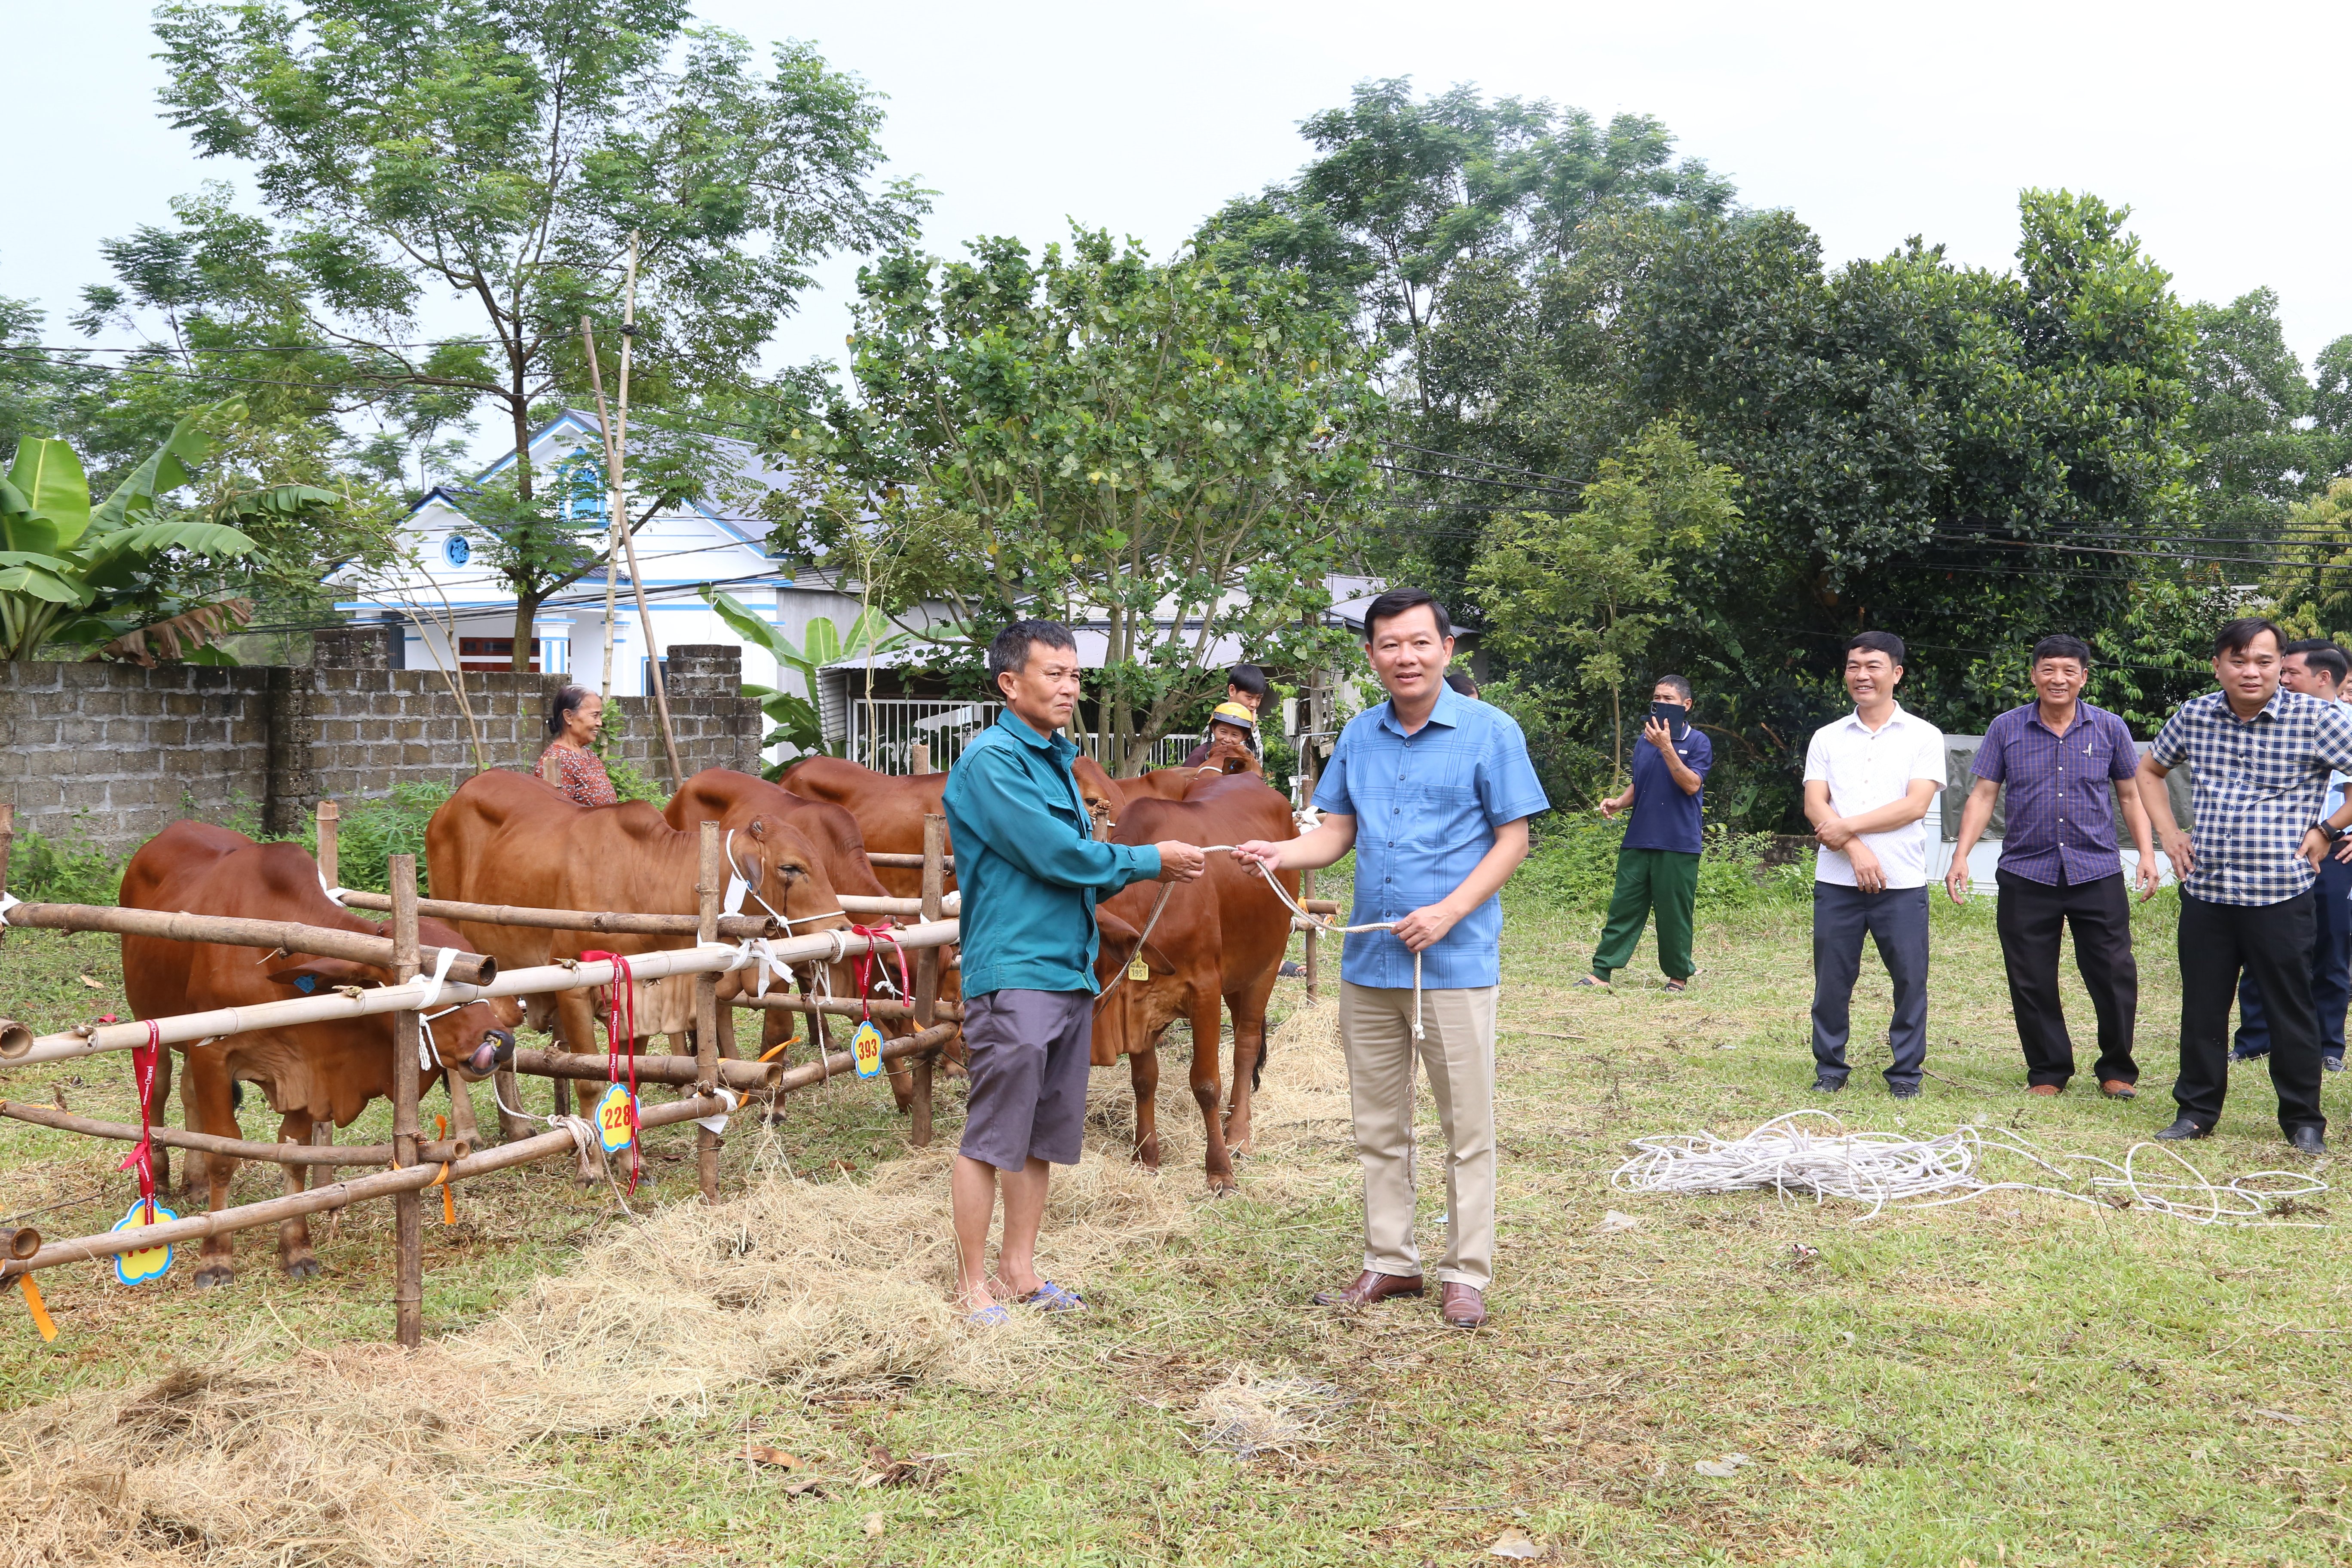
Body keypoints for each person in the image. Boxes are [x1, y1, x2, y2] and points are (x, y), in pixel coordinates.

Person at [1232, 588, 1549, 1330]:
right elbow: (1335, 832)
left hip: (1456, 958)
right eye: (1387, 645)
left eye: (1417, 642)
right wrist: (1279, 851)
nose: (1403, 656)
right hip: (1370, 961)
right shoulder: (1359, 735)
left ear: (1446, 648)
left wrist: (1448, 910)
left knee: (1464, 1124)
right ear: (1371, 655)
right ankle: (1391, 1261)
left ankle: (1465, 1271)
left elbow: (1514, 839)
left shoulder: (1490, 731)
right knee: (1378, 1121)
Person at [941, 619, 1205, 1321]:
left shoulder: (1056, 758)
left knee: (1041, 1132)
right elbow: (1056, 856)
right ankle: (973, 1285)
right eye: (1052, 673)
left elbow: (1077, 867)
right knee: (992, 1132)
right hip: (1015, 968)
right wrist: (1152, 860)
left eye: (1075, 674)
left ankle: (1020, 1271)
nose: (1068, 686)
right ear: (1010, 683)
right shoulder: (992, 761)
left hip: (1064, 967)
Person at [2135, 618, 2352, 1153]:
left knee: (2291, 1008)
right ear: (2218, 665)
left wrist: (2328, 829)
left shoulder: (2318, 718)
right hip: (2207, 890)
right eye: (2238, 660)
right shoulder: (2195, 714)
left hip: (2281, 891)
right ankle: (2196, 1112)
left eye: (2263, 660)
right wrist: (2168, 833)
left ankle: (2303, 1121)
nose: (2250, 671)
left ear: (2281, 664)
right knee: (2203, 1007)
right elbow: (2149, 771)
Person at [1945, 635, 2160, 1098]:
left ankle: (2117, 1069)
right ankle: (2047, 1071)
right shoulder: (2006, 727)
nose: (2057, 679)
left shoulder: (2109, 728)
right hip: (2027, 872)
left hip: (2096, 871)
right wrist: (1960, 855)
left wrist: (2146, 852)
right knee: (2031, 975)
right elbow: (1983, 794)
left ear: (2084, 677)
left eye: (2068, 671)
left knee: (2113, 973)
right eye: (2048, 669)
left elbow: (2130, 795)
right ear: (2034, 675)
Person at [1802, 631, 1947, 1098]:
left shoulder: (1924, 736)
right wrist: (1857, 849)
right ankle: (1830, 1068)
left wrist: (1847, 830)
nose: (1861, 676)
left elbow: (1914, 806)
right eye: (1853, 667)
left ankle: (1905, 1074)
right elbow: (1814, 803)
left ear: (1896, 673)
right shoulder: (1827, 737)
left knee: (1909, 979)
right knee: (1832, 980)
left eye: (1873, 666)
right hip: (1837, 881)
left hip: (1901, 882)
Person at [2230, 639, 2352, 1071]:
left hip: (2336, 854)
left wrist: (2336, 830)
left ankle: (2327, 1046)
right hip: (2273, 853)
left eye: (2290, 673)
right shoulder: (2266, 720)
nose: (2280, 680)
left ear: (2323, 678)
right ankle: (2255, 1040)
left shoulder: (2350, 724)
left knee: (2332, 948)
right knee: (2260, 945)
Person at [1580, 675, 1711, 992]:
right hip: (1639, 838)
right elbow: (1642, 781)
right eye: (1657, 698)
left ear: (1686, 705)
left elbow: (1692, 784)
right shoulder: (1644, 741)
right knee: (1623, 907)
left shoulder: (1698, 742)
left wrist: (1667, 747)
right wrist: (1620, 802)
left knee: (1674, 914)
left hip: (1678, 843)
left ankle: (1677, 977)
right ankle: (1602, 971)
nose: (1660, 703)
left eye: (1668, 698)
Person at [538, 686, 618, 806]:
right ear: (569, 716)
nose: (600, 723)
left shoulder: (590, 755)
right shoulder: (555, 761)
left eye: (600, 716)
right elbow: (557, 815)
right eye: (594, 716)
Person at [1182, 663, 1270, 767]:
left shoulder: (1252, 725)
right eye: (1249, 697)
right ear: (1232, 690)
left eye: (1259, 698)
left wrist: (1253, 728)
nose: (1254, 704)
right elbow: (1210, 761)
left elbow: (1257, 766)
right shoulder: (1218, 720)